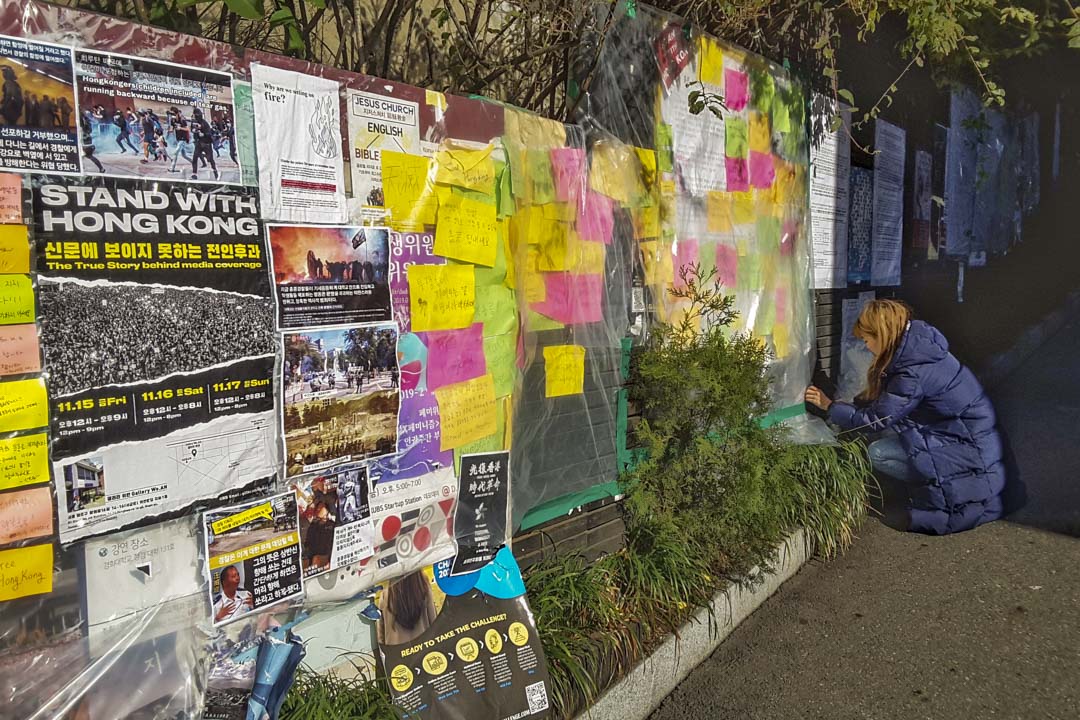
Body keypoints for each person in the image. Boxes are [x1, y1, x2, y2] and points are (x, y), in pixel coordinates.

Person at [805, 299, 1006, 535]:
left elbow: (876, 419)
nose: (867, 347)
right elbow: (891, 406)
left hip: (966, 452)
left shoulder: (912, 372)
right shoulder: (919, 349)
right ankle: (925, 483)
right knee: (889, 433)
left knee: (877, 452)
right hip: (969, 441)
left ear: (882, 335)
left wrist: (829, 406)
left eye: (867, 340)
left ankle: (932, 488)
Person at [376, 570, 437, 646]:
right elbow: (433, 620)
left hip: (397, 652)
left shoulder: (386, 594)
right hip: (423, 647)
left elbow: (381, 633)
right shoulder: (422, 585)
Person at [303, 501, 335, 573]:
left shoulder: (331, 525)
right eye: (318, 508)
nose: (318, 509)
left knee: (316, 559)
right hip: (312, 553)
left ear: (327, 510)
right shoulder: (313, 525)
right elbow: (308, 541)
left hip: (325, 555)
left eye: (321, 508)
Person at [190, 107, 219, 180]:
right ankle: (194, 174)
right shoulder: (194, 122)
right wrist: (194, 130)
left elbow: (209, 134)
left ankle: (215, 170)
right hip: (199, 143)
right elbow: (192, 129)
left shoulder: (204, 123)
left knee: (210, 159)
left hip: (206, 143)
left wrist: (203, 134)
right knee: (195, 158)